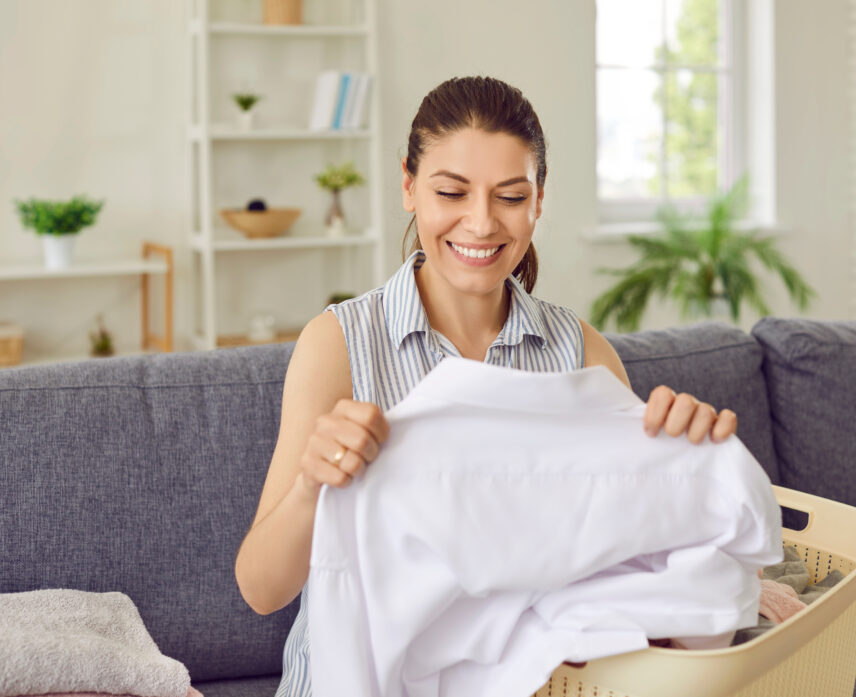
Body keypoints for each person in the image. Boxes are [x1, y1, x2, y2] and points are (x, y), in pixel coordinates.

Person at [234, 75, 739, 696]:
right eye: (452, 191)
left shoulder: (582, 355)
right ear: (409, 187)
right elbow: (261, 590)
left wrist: (682, 465)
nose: (480, 223)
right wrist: (314, 482)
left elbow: (625, 564)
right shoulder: (339, 344)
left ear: (539, 201)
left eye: (509, 196)